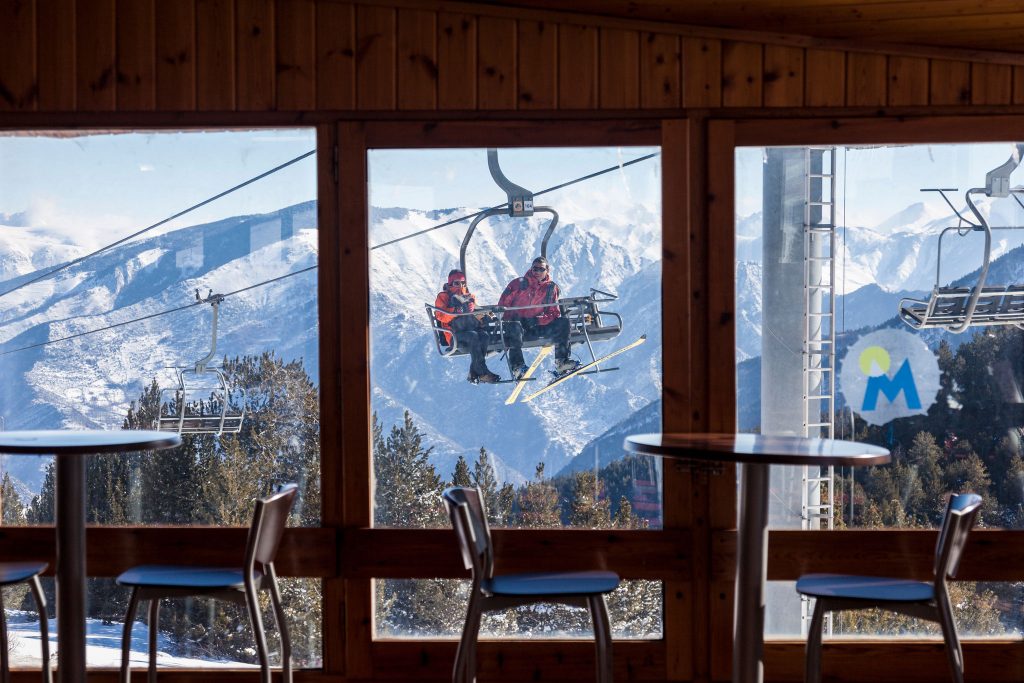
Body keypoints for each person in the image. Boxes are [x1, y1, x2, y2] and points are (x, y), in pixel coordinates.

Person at [498, 256, 580, 379]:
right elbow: (502, 306)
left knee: (563, 322)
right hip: (517, 326)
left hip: (535, 326)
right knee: (515, 328)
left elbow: (553, 313)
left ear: (547, 270)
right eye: (534, 269)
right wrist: (512, 318)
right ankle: (517, 367)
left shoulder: (551, 288)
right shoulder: (518, 284)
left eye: (540, 269)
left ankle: (562, 362)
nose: (536, 272)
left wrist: (537, 320)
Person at [434, 269, 500, 384]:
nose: (460, 286)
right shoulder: (443, 297)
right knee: (473, 336)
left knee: (484, 336)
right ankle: (482, 372)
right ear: (450, 283)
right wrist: (455, 311)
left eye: (463, 283)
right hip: (454, 335)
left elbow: (476, 312)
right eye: (456, 283)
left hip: (469, 329)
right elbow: (440, 316)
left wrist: (486, 316)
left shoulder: (469, 297)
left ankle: (473, 373)